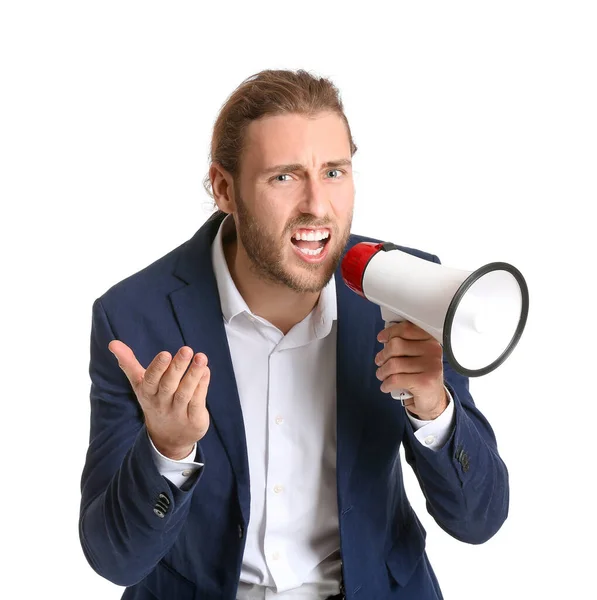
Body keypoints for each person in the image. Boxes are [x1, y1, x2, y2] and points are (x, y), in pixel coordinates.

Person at [79, 69, 509, 600]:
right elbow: (115, 559)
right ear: (223, 189)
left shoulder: (406, 288)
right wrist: (166, 450)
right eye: (284, 176)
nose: (317, 206)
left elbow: (479, 519)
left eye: (333, 171)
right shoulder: (134, 317)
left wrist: (434, 408)